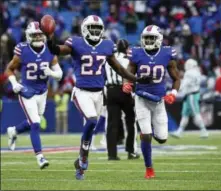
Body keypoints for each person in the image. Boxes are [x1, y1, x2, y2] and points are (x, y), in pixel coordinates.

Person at [44, 15, 151, 180]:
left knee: (91, 126)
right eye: (92, 28)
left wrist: (135, 78)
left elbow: (119, 69)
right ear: (85, 29)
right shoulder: (76, 43)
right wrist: (49, 38)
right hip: (81, 91)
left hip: (100, 93)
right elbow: (56, 50)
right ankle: (84, 156)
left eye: (97, 29)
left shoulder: (107, 45)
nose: (94, 31)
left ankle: (80, 163)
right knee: (93, 120)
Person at [123, 25, 181, 179]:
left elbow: (176, 78)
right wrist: (126, 83)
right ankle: (149, 168)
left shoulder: (167, 54)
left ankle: (149, 133)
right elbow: (128, 72)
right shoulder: (136, 53)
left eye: (151, 38)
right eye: (146, 38)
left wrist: (173, 94)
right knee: (147, 135)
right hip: (141, 98)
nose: (148, 41)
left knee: (162, 139)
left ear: (159, 39)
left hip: (159, 101)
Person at [5, 21, 63, 169]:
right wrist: (14, 83)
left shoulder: (50, 50)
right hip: (26, 91)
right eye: (35, 35)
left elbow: (60, 74)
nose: (37, 38)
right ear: (28, 36)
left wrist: (50, 72)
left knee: (32, 122)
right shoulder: (22, 50)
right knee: (36, 123)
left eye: (40, 35)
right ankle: (40, 157)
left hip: (42, 92)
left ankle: (14, 130)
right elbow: (9, 69)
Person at [105, 39, 140, 160]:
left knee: (112, 124)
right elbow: (130, 76)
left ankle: (112, 154)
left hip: (110, 90)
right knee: (131, 122)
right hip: (125, 90)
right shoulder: (128, 60)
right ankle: (131, 151)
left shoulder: (109, 59)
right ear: (126, 48)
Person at [171, 58, 208, 138]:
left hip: (191, 95)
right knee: (185, 114)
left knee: (196, 113)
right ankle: (179, 131)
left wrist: (175, 89)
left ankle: (204, 130)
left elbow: (184, 84)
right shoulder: (198, 72)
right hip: (192, 94)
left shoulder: (189, 73)